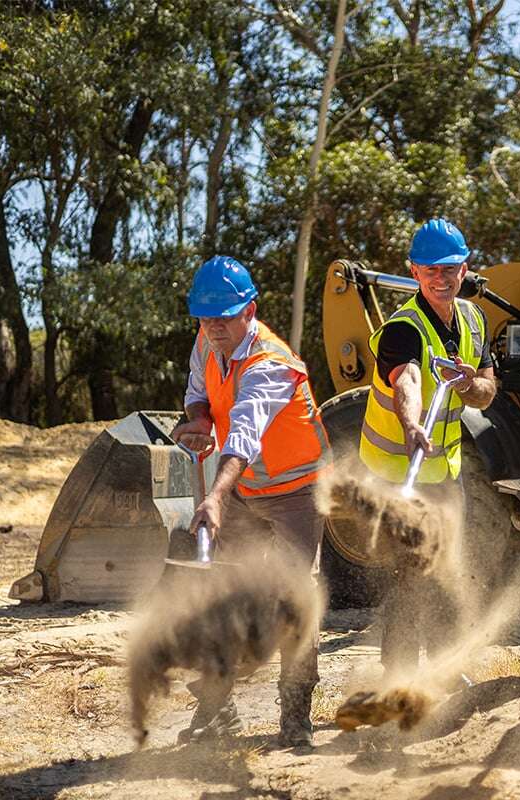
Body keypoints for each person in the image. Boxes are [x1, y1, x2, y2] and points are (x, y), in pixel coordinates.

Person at [170, 255, 332, 747]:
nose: (214, 327)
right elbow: (199, 393)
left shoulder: (271, 365)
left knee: (293, 602)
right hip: (247, 488)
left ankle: (296, 720)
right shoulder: (207, 340)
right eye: (205, 317)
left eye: (225, 316)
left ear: (251, 310)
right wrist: (197, 420)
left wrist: (216, 496)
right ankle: (217, 712)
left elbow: (243, 434)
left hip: (297, 493)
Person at [358, 219, 497, 672]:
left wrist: (469, 383)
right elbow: (409, 379)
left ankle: (442, 672)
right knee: (408, 578)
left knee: (444, 573)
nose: (441, 278)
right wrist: (412, 424)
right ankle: (398, 678)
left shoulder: (474, 321)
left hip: (443, 473)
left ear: (464, 268)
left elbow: (487, 391)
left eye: (450, 268)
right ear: (414, 272)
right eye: (430, 269)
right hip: (393, 474)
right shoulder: (404, 328)